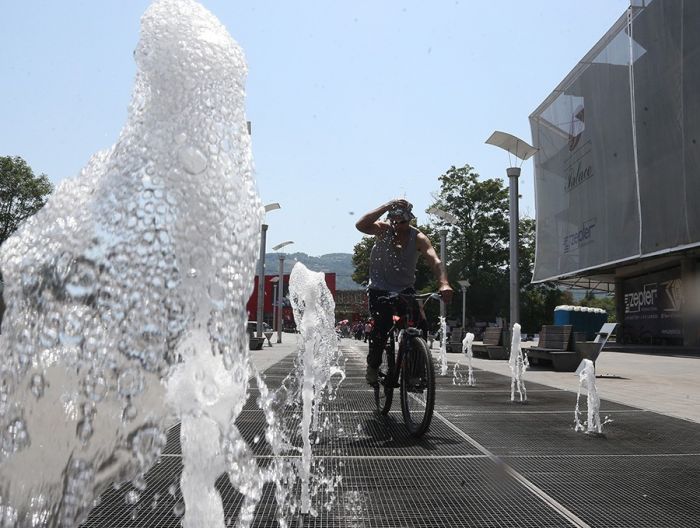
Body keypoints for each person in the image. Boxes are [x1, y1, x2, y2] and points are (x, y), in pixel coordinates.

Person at [355, 199, 453, 385]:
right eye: (395, 222)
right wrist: (386, 206)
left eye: (403, 222)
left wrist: (444, 284)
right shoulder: (383, 230)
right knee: (381, 328)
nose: (398, 226)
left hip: (405, 289)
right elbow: (361, 225)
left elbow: (435, 261)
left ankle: (414, 374)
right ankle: (373, 366)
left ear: (410, 221)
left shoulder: (418, 238)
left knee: (421, 326)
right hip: (379, 288)